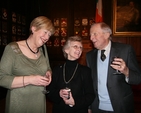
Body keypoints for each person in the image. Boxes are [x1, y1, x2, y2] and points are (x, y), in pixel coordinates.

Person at [0, 16, 55, 113]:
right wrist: (30, 79)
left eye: (49, 35)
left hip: (39, 103)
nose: (47, 37)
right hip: (18, 104)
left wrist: (48, 73)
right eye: (45, 32)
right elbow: (1, 79)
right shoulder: (12, 49)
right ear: (34, 28)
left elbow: (48, 68)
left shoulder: (43, 49)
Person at [86, 22, 141, 113]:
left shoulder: (126, 50)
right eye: (90, 35)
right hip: (97, 107)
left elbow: (138, 78)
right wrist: (89, 106)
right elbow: (89, 83)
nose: (91, 38)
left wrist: (126, 71)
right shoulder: (90, 56)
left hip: (120, 106)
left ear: (107, 34)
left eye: (94, 34)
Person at [47, 35, 95, 113]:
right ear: (66, 50)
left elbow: (90, 95)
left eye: (80, 47)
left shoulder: (86, 71)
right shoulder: (57, 70)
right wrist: (59, 93)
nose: (79, 50)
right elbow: (49, 92)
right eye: (75, 46)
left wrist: (74, 102)